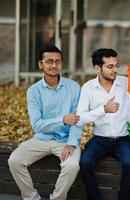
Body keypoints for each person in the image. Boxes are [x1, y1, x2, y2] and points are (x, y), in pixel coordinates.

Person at [8, 45, 82, 200]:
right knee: (14, 160)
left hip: (65, 140)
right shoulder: (33, 91)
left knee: (72, 165)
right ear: (40, 64)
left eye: (57, 61)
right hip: (41, 139)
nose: (54, 65)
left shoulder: (74, 87)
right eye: (49, 61)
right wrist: (63, 119)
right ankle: (32, 198)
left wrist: (71, 143)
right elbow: (37, 124)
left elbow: (77, 121)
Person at [77, 48, 130, 200]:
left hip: (122, 138)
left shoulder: (125, 82)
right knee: (85, 162)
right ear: (98, 68)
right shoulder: (88, 87)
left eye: (116, 65)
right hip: (99, 138)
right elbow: (81, 117)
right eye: (110, 67)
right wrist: (103, 109)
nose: (115, 70)